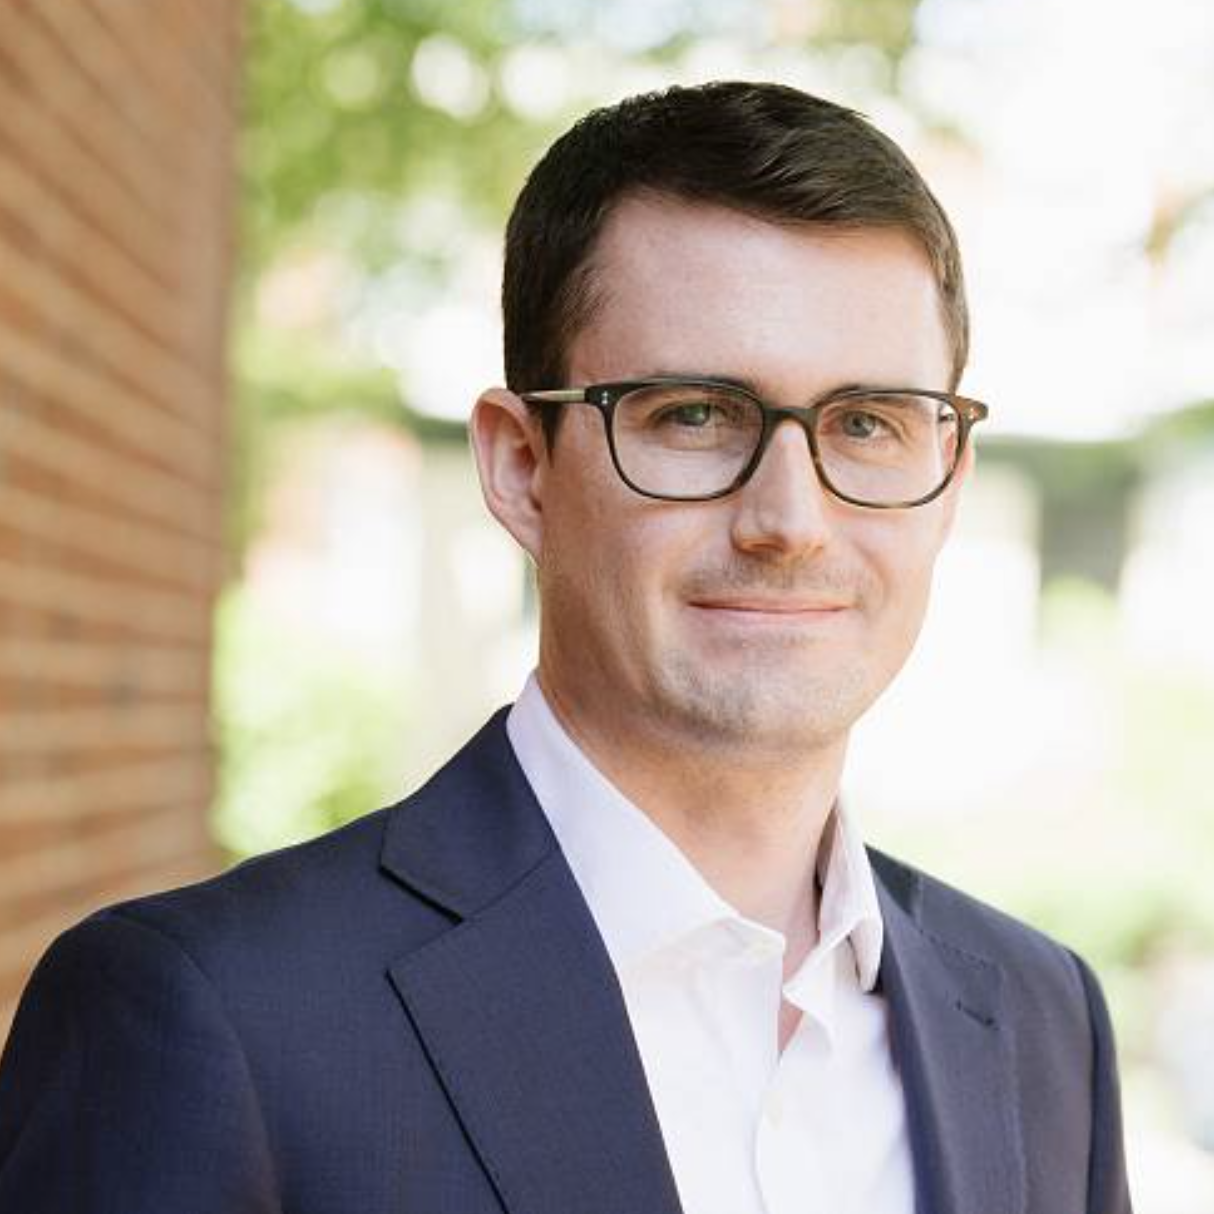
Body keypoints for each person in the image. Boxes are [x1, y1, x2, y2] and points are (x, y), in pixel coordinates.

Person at [0, 81, 1131, 1214]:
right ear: (520, 467)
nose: (789, 520)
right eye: (693, 414)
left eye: (867, 423)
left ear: (947, 482)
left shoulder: (1046, 1027)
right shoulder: (209, 1017)